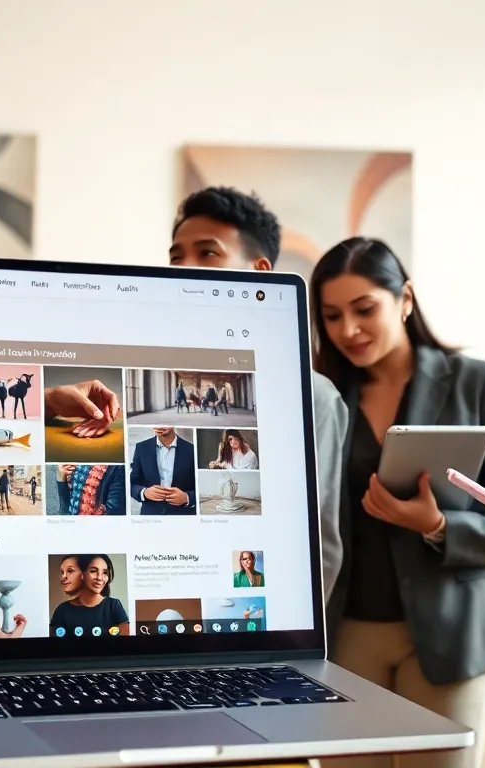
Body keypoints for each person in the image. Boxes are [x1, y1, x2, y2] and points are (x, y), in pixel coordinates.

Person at [314, 237, 485, 768]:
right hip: (347, 635)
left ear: (406, 300)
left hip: (454, 632)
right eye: (331, 316)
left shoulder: (477, 381)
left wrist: (438, 525)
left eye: (365, 309)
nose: (348, 330)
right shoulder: (319, 397)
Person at [168, 186, 349, 601]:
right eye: (176, 256)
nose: (183, 268)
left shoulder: (311, 396)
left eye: (207, 253)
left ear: (259, 272)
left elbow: (317, 540)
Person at [49, 554, 130, 636]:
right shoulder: (62, 610)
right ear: (82, 574)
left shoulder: (114, 606)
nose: (100, 578)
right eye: (93, 571)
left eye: (105, 572)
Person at [129, 427, 197, 515]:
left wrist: (187, 497)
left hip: (183, 516)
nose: (159, 426)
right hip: (150, 516)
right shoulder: (141, 448)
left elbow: (201, 486)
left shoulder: (191, 449)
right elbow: (131, 484)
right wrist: (144, 492)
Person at [55, 463, 126, 515]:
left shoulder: (116, 467)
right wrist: (61, 478)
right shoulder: (74, 461)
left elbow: (115, 514)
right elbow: (64, 509)